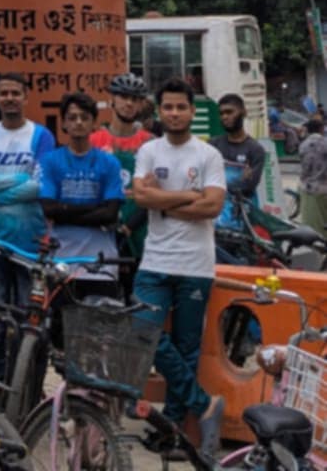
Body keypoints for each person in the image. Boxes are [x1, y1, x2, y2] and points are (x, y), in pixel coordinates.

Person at [133, 78, 227, 456]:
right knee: (145, 333)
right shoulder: (149, 150)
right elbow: (140, 197)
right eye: (167, 107)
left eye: (180, 107)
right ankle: (205, 404)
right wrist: (189, 195)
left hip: (196, 264)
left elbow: (213, 206)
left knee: (186, 349)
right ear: (159, 111)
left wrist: (163, 201)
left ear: (192, 111)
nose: (174, 113)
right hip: (154, 260)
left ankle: (170, 431)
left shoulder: (208, 155)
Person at [0, 72, 55, 381]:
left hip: (30, 241)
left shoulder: (41, 136)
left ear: (26, 97)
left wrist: (0, 192)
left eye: (15, 93)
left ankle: (29, 386)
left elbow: (40, 185)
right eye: (4, 93)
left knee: (29, 317)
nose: (9, 98)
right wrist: (20, 180)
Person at [40, 92, 124, 302]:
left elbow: (111, 214)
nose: (78, 122)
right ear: (64, 123)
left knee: (99, 330)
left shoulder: (109, 163)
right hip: (62, 261)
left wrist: (65, 211)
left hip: (101, 261)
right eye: (72, 117)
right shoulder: (51, 160)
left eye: (84, 117)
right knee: (59, 328)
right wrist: (96, 210)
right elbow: (48, 209)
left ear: (94, 123)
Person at [90, 72, 152, 263]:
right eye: (123, 97)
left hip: (142, 231)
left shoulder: (150, 143)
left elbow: (156, 193)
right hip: (100, 230)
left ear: (141, 104)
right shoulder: (93, 141)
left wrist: (130, 225)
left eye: (135, 99)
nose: (129, 103)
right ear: (112, 100)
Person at [210, 93, 266, 210]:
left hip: (242, 215)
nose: (224, 117)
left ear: (243, 112)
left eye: (229, 112)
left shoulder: (255, 149)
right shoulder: (213, 145)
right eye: (221, 113)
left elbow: (248, 186)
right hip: (215, 213)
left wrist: (219, 179)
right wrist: (238, 177)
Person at [299, 116, 327, 237]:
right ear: (321, 129)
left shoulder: (303, 145)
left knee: (312, 225)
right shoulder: (325, 143)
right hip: (323, 189)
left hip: (307, 189)